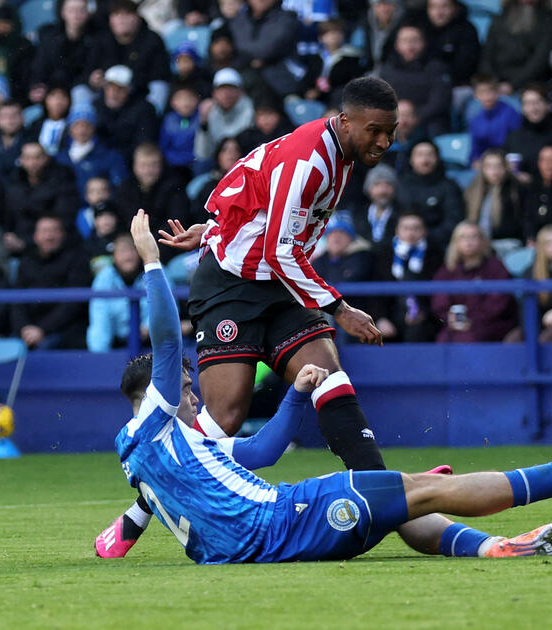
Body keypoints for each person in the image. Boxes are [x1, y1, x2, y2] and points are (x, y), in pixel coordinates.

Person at [113, 209, 552, 564]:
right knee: (424, 489)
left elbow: (261, 451)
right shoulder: (157, 421)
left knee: (405, 499)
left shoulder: (154, 456)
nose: (192, 395)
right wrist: (152, 264)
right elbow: (167, 339)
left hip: (270, 538)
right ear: (151, 397)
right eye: (183, 387)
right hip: (290, 520)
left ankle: (490, 547)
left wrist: (298, 394)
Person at [101, 77, 400, 555]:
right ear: (346, 121)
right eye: (376, 130)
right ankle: (140, 510)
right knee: (223, 415)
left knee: (327, 372)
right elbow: (282, 249)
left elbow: (254, 184)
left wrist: (219, 225)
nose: (384, 141)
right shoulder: (311, 160)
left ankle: (384, 489)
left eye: (391, 131)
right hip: (231, 286)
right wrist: (340, 308)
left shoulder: (340, 155)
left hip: (276, 281)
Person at [10, 215, 93, 349]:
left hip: (62, 330)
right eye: (44, 231)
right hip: (28, 331)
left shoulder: (77, 259)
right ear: (35, 236)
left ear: (62, 235)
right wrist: (24, 328)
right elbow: (17, 300)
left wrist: (42, 330)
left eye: (54, 231)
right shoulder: (26, 261)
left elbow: (73, 304)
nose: (49, 236)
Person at [432, 222, 519, 343]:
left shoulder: (496, 267)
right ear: (455, 242)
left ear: (483, 241)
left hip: (492, 325)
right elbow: (440, 302)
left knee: (468, 338)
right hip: (456, 326)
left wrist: (472, 320)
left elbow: (498, 303)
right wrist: (449, 318)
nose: (469, 242)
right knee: (443, 339)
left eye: (473, 237)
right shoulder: (447, 270)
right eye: (463, 237)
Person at [373, 212, 443, 342]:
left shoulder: (436, 255)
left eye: (416, 228)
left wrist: (424, 313)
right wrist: (380, 318)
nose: (411, 233)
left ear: (424, 231)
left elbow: (438, 293)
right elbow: (376, 292)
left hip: (426, 318)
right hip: (392, 315)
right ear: (397, 231)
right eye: (406, 228)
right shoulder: (384, 255)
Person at [375, 24, 452, 137]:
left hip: (427, 120)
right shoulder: (387, 70)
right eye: (405, 41)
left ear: (424, 43)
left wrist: (415, 116)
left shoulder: (436, 68)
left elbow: (440, 101)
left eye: (415, 41)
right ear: (397, 45)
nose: (410, 46)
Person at [479, 0, 552, 94]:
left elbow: (540, 61)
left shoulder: (549, 21)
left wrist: (513, 85)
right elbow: (487, 56)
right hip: (495, 84)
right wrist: (493, 83)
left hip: (531, 86)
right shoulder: (499, 19)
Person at [87, 235, 153, 352]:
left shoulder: (155, 272)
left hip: (153, 340)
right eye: (122, 252)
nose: (127, 256)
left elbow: (166, 307)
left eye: (131, 250)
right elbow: (99, 319)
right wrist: (100, 357)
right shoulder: (104, 278)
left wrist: (149, 327)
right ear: (113, 256)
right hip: (117, 341)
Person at [397, 141, 464, 248]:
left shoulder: (449, 186)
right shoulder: (400, 185)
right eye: (419, 155)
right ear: (411, 159)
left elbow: (453, 221)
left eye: (430, 154)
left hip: (439, 245)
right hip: (401, 243)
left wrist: (423, 237)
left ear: (437, 158)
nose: (425, 160)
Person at [463, 149, 526, 253]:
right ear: (483, 169)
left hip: (506, 243)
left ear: (506, 168)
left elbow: (520, 224)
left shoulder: (515, 190)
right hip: (477, 243)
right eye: (489, 167)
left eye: (498, 166)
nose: (494, 171)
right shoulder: (472, 190)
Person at [502, 85, 552, 179]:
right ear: (522, 108)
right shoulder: (514, 137)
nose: (533, 108)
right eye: (527, 103)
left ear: (547, 105)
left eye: (537, 102)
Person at [94, 65, 160, 161]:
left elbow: (144, 143)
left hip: (130, 162)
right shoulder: (96, 105)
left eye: (119, 89)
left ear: (129, 89)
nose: (113, 93)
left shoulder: (145, 110)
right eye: (109, 87)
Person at [193, 69, 255, 165]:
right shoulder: (210, 111)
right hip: (218, 164)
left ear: (240, 92)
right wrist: (204, 123)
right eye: (221, 89)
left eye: (231, 89)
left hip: (246, 162)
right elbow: (202, 154)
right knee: (200, 164)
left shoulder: (250, 108)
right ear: (214, 93)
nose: (226, 94)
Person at [420, 0, 482, 86]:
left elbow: (465, 67)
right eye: (433, 7)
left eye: (444, 6)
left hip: (455, 85)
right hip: (420, 83)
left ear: (454, 8)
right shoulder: (419, 27)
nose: (439, 12)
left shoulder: (467, 30)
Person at [467, 75, 522, 162]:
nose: (487, 96)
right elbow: (475, 150)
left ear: (498, 92)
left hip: (506, 160)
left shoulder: (511, 114)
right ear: (475, 95)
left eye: (490, 91)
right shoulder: (475, 121)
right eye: (482, 92)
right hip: (486, 164)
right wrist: (475, 161)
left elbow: (517, 143)